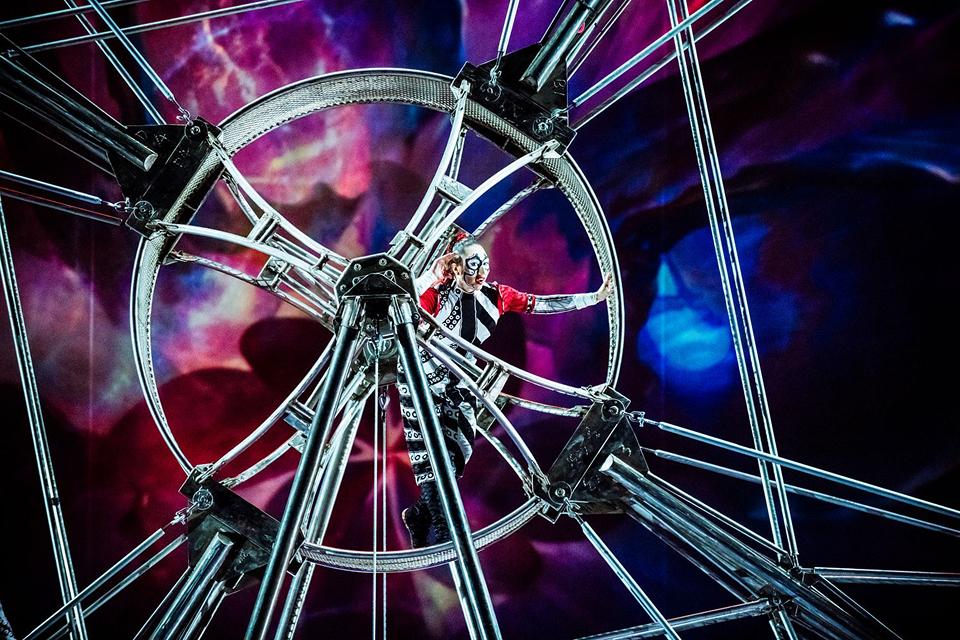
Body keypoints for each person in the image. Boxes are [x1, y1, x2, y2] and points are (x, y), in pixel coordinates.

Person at [398, 232, 612, 547]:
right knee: (430, 447)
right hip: (423, 372)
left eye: (483, 264)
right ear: (455, 268)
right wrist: (431, 275)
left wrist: (592, 298)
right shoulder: (436, 295)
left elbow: (540, 305)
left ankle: (420, 514)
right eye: (473, 265)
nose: (481, 271)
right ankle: (443, 528)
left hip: (461, 375)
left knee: (460, 450)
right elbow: (404, 309)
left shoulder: (497, 296)